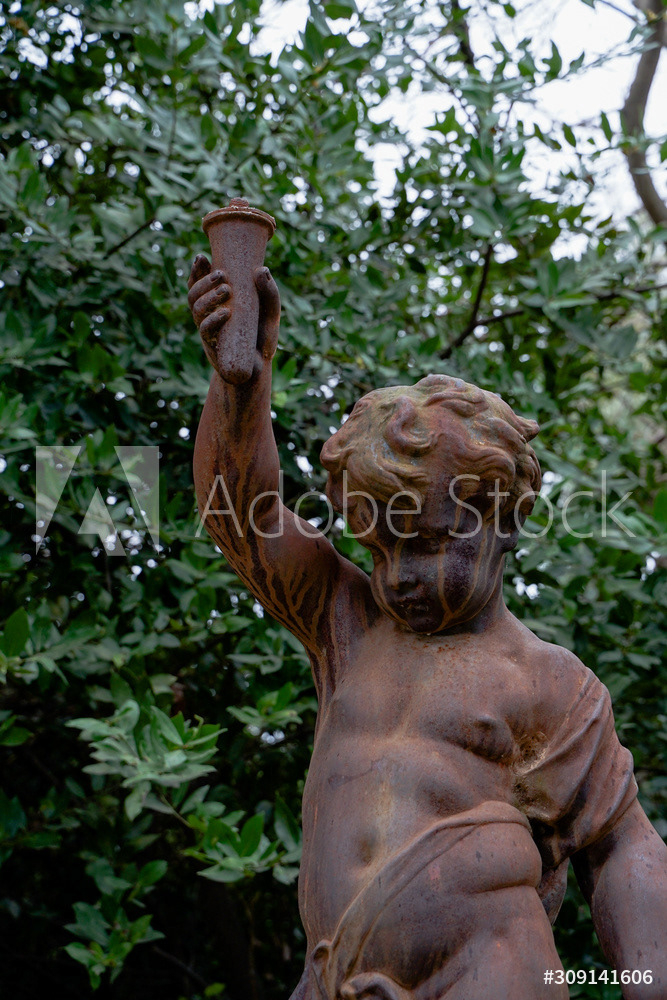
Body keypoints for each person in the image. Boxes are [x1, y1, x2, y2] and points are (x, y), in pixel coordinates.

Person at [188, 254, 666, 1000]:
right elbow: (240, 518)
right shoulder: (348, 626)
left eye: (428, 544)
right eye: (379, 548)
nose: (398, 576)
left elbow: (622, 846)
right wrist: (241, 384)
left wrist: (645, 979)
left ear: (504, 520)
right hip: (336, 976)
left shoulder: (548, 682)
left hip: (493, 970)